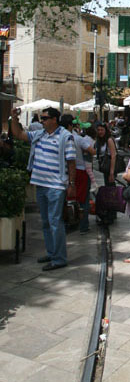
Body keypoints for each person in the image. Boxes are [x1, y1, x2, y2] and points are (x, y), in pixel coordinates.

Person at [10, 106, 76, 271]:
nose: (42, 121)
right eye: (41, 118)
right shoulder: (39, 134)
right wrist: (14, 119)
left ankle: (59, 258)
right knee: (46, 222)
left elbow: (71, 162)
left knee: (55, 222)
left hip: (55, 186)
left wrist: (71, 184)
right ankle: (52, 252)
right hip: (41, 184)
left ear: (54, 119)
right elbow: (18, 135)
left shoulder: (65, 137)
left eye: (45, 118)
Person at [60, 115, 96, 234]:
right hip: (79, 170)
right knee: (83, 199)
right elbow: (92, 151)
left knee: (65, 199)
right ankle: (83, 225)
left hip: (63, 172)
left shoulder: (58, 137)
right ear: (71, 125)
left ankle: (66, 223)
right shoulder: (78, 139)